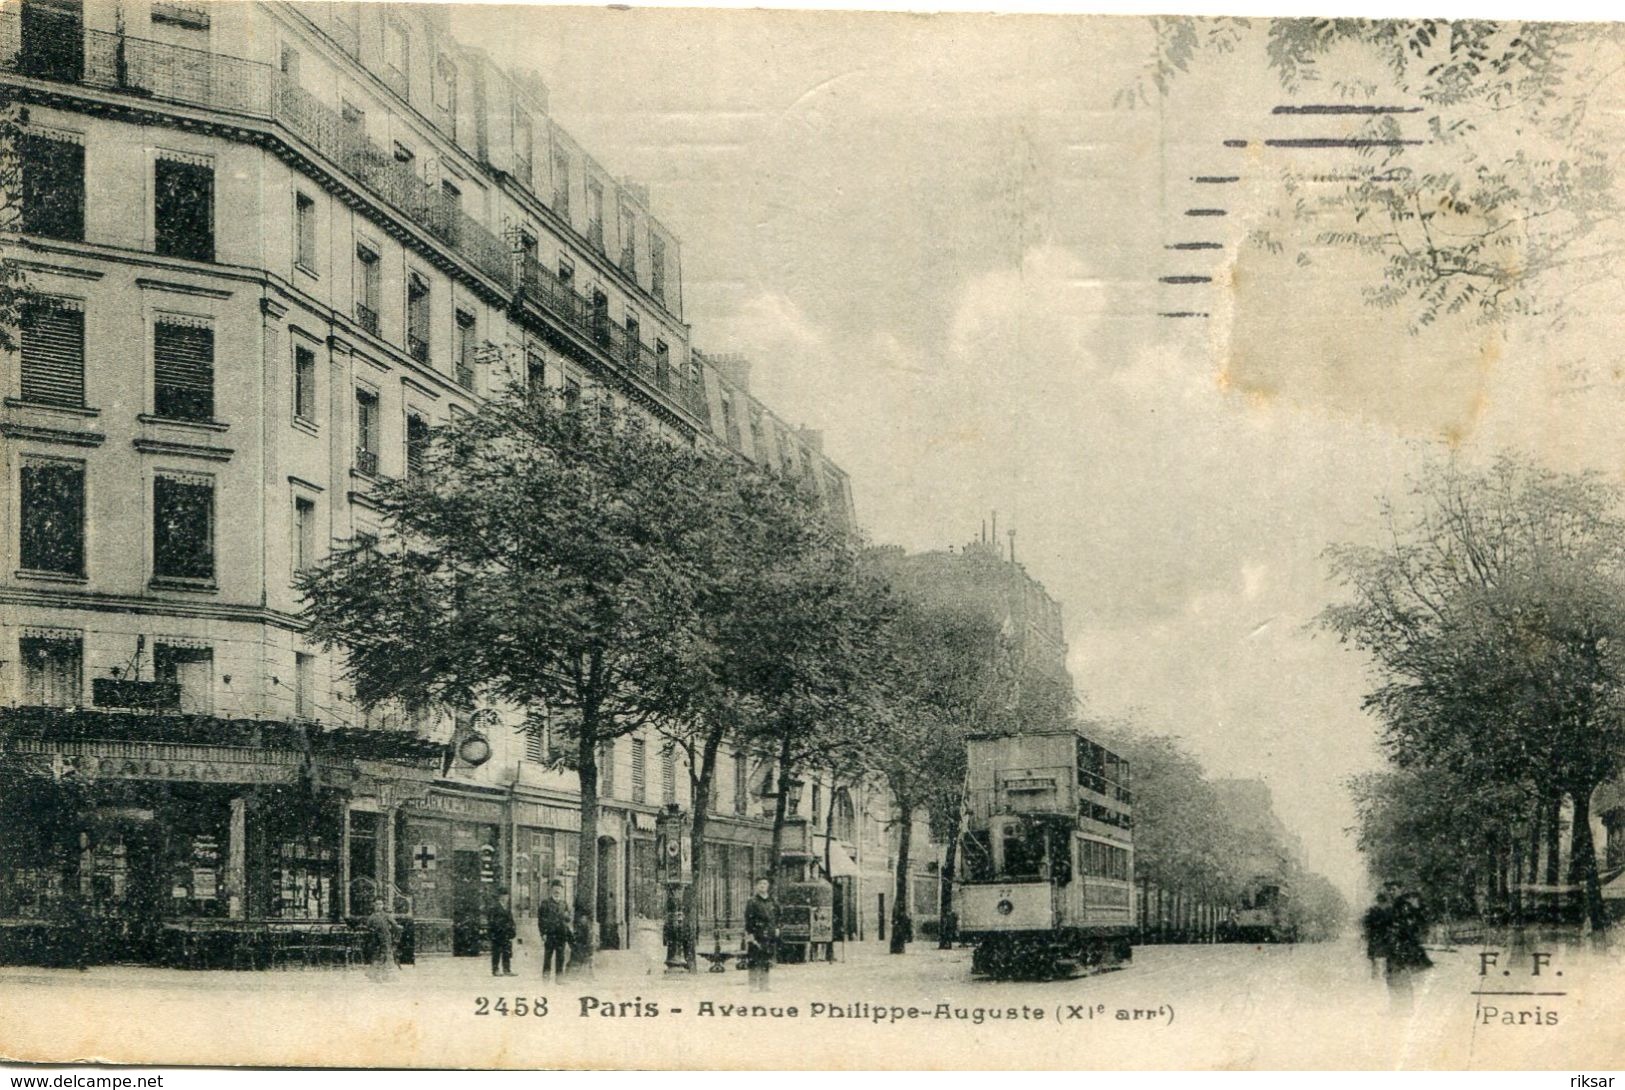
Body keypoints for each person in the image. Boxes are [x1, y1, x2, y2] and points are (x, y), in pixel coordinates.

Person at [1383, 889, 1432, 1011]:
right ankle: (1399, 1007)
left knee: (1398, 977)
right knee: (1394, 977)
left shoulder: (1404, 906)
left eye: (1393, 889)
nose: (1390, 892)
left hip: (1402, 947)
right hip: (1398, 947)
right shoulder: (1399, 906)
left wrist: (1396, 931)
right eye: (1389, 889)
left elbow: (1410, 928)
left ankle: (1403, 1007)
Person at [744, 876, 779, 993]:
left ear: (768, 886)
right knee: (754, 959)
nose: (763, 886)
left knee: (766, 959)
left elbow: (778, 915)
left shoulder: (772, 901)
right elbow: (748, 919)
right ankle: (753, 985)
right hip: (756, 933)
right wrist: (750, 934)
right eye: (760, 884)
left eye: (765, 884)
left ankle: (764, 985)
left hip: (769, 933)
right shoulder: (752, 901)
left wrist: (777, 927)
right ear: (757, 886)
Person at [537, 879, 573, 983]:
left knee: (560, 957)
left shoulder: (564, 903)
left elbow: (568, 918)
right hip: (550, 934)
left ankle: (559, 978)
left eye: (559, 888)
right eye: (555, 888)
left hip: (561, 934)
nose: (557, 890)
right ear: (551, 889)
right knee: (548, 956)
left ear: (562, 890)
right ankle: (546, 978)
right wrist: (543, 933)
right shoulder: (545, 903)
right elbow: (541, 920)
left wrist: (567, 917)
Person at [1361, 888, 1393, 981]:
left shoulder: (1372, 910)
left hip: (1375, 935)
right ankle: (1387, 973)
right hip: (1386, 935)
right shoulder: (1390, 910)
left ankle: (1375, 974)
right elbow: (1393, 922)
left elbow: (1367, 922)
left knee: (1374, 956)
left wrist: (1368, 933)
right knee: (1388, 955)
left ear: (1378, 900)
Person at [365, 902, 399, 983]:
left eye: (380, 904)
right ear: (374, 906)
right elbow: (368, 927)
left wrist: (393, 935)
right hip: (376, 939)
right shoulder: (372, 917)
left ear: (383, 906)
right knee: (377, 956)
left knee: (387, 956)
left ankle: (387, 976)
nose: (378, 906)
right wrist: (373, 931)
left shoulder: (386, 915)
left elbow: (395, 925)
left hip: (386, 939)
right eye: (376, 904)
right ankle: (375, 975)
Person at [487, 888, 517, 977]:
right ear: (499, 897)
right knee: (496, 952)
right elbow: (492, 921)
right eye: (503, 896)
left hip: (506, 934)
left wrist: (512, 929)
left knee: (507, 952)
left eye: (507, 896)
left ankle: (506, 969)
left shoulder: (507, 908)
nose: (505, 898)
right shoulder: (495, 908)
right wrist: (500, 928)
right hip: (498, 933)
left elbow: (511, 920)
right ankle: (495, 969)